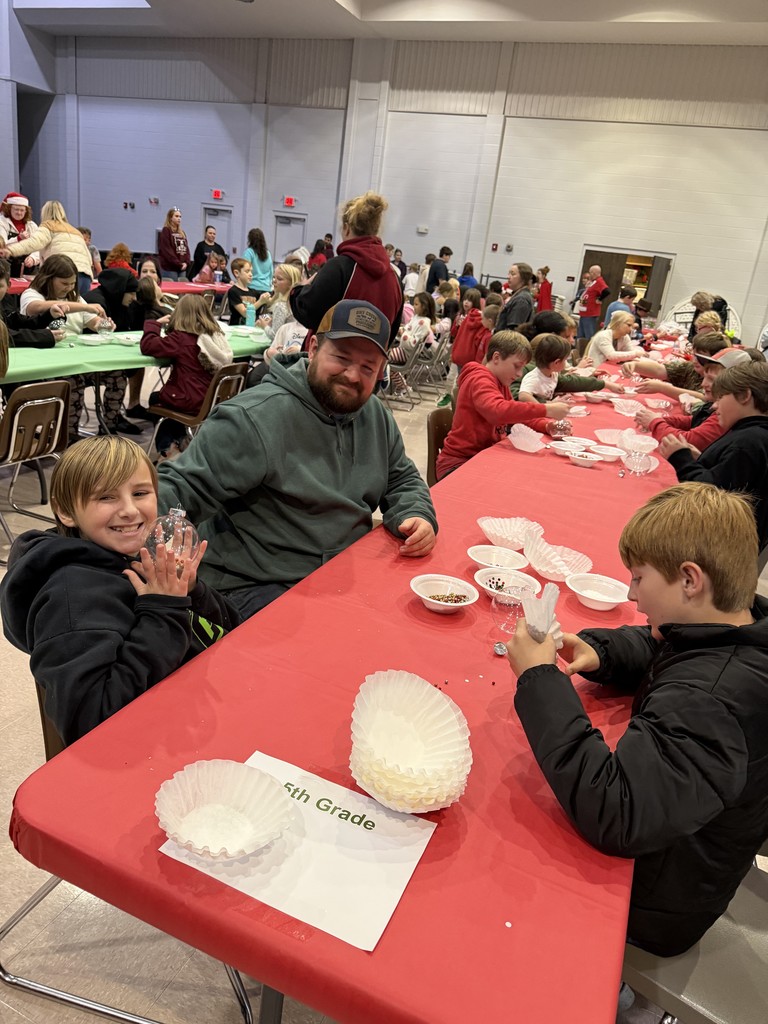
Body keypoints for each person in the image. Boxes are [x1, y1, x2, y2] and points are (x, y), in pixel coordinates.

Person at [507, 481, 768, 958]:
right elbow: (669, 645)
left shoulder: (711, 702)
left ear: (689, 580)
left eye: (639, 578)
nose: (632, 594)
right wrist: (602, 651)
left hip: (656, 903)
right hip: (681, 853)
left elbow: (617, 809)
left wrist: (539, 680)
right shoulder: (737, 626)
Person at [156, 299, 437, 619]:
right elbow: (178, 489)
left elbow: (401, 477)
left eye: (368, 367)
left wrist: (416, 513)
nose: (352, 375)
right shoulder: (253, 417)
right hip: (255, 584)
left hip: (341, 572)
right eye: (342, 358)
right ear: (313, 347)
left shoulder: (374, 415)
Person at [0, 435, 239, 746]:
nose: (129, 510)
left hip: (198, 708)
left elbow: (233, 632)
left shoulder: (138, 558)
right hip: (149, 747)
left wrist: (191, 590)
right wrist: (163, 610)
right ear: (65, 511)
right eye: (106, 497)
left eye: (140, 493)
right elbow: (90, 724)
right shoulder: (71, 600)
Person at [20, 254, 140, 443]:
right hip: (46, 364)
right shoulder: (31, 295)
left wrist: (104, 324)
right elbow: (37, 307)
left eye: (72, 283)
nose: (69, 288)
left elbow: (93, 322)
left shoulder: (75, 298)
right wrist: (85, 307)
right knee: (73, 381)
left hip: (75, 362)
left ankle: (108, 428)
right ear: (49, 278)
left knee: (117, 375)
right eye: (64, 283)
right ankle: (69, 436)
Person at [660, 361, 768, 548]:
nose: (713, 407)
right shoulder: (753, 434)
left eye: (720, 398)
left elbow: (710, 493)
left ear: (744, 396)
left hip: (720, 544)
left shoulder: (748, 441)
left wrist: (682, 459)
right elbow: (732, 477)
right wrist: (700, 460)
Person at [436, 331, 570, 480]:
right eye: (517, 366)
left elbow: (515, 415)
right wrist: (546, 409)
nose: (519, 374)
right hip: (459, 463)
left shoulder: (501, 382)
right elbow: (498, 411)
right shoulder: (479, 379)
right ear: (496, 358)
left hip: (482, 457)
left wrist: (546, 426)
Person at [289, 191, 404, 349]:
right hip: (371, 362)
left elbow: (308, 314)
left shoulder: (338, 268)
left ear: (346, 228)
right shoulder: (395, 279)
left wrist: (299, 290)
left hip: (331, 359)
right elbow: (390, 334)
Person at [141, 294, 233, 458]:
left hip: (191, 400)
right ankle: (181, 440)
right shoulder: (216, 337)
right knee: (170, 400)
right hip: (213, 398)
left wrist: (155, 324)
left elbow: (148, 346)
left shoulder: (181, 339)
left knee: (157, 399)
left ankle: (168, 448)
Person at [634, 345, 759, 453]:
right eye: (704, 377)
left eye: (712, 379)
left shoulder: (728, 415)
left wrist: (655, 423)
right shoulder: (719, 407)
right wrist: (661, 419)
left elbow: (689, 441)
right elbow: (696, 420)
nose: (703, 384)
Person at [1, 200, 94, 296]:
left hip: (63, 275)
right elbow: (89, 258)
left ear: (45, 212)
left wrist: (11, 250)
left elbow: (32, 243)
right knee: (80, 305)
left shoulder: (48, 226)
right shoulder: (75, 231)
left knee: (53, 304)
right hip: (85, 277)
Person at [517, 333, 625, 402]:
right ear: (556, 362)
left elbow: (574, 382)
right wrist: (547, 406)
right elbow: (523, 396)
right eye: (565, 360)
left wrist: (606, 384)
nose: (566, 363)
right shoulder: (533, 377)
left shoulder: (553, 374)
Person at [0, 258, 62, 348]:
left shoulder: (5, 300)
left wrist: (48, 315)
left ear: (8, 286)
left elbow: (18, 322)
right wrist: (42, 336)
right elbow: (4, 336)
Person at [387, 291, 437, 396]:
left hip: (407, 353)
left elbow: (414, 342)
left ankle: (401, 386)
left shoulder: (424, 323)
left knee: (384, 358)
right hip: (404, 351)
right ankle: (403, 386)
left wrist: (403, 334)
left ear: (424, 306)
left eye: (416, 304)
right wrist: (402, 330)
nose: (413, 306)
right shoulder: (416, 318)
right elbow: (408, 328)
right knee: (385, 361)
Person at [253, 263, 302, 341]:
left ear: (291, 283)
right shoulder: (297, 303)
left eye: (279, 279)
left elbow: (275, 336)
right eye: (274, 277)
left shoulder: (281, 306)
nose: (274, 281)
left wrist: (264, 326)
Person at [0, 193, 39, 276]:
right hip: (7, 267)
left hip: (29, 269)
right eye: (16, 209)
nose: (19, 212)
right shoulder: (2, 223)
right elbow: (2, 246)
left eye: (22, 210)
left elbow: (40, 247)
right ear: (9, 209)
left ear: (26, 211)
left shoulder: (32, 225)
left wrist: (33, 258)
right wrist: (18, 239)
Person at [494, 263, 535, 333]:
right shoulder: (519, 295)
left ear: (523, 278)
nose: (509, 277)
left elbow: (513, 331)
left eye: (513, 274)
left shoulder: (521, 299)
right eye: (509, 274)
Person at [576, 264, 609, 346]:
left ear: (594, 273)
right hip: (584, 312)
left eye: (590, 272)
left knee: (588, 335)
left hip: (590, 313)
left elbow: (606, 291)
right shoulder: (593, 282)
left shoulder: (599, 281)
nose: (589, 274)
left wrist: (599, 299)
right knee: (581, 334)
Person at [157, 208, 190, 281]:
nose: (179, 218)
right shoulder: (166, 230)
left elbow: (186, 249)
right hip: (170, 268)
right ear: (170, 218)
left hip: (182, 268)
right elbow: (167, 250)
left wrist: (186, 263)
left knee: (181, 286)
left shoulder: (182, 232)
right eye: (176, 216)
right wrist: (178, 263)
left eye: (180, 216)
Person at [243, 227, 273, 298]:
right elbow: (271, 272)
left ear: (250, 239)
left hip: (252, 287)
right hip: (266, 289)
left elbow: (244, 270)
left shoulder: (249, 252)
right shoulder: (268, 253)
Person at [226, 257, 256, 327]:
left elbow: (269, 303)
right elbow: (244, 313)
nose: (251, 274)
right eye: (247, 271)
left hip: (251, 328)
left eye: (251, 271)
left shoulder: (253, 292)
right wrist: (261, 301)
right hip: (237, 328)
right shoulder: (233, 291)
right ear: (237, 273)